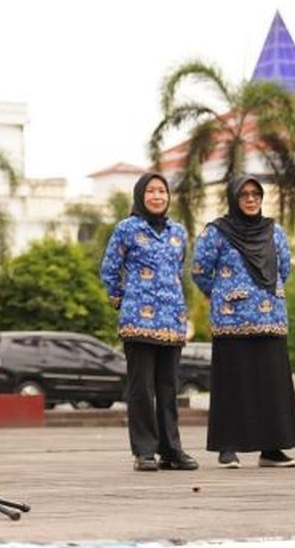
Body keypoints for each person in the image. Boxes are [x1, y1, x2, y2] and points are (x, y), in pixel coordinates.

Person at [190, 175, 295, 468]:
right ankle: (228, 447)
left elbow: (285, 269)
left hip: (270, 317)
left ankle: (272, 449)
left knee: (271, 385)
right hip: (232, 320)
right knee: (233, 386)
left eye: (256, 194)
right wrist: (223, 296)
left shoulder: (274, 231)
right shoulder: (217, 232)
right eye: (244, 195)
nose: (251, 199)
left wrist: (263, 295)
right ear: (233, 199)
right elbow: (200, 270)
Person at [100, 172, 198, 472]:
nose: (157, 196)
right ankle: (144, 451)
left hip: (171, 319)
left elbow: (178, 269)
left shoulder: (178, 232)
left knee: (168, 387)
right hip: (138, 321)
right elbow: (109, 269)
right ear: (141, 196)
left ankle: (172, 450)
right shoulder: (127, 229)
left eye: (162, 191)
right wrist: (121, 298)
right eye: (151, 191)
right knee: (142, 387)